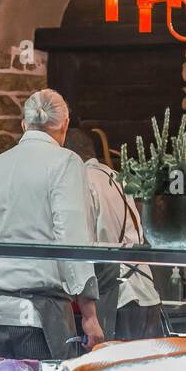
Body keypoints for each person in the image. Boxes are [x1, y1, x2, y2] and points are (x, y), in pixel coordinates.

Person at [0, 89, 103, 360]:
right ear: (65, 124)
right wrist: (90, 314)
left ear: (23, 124)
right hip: (39, 320)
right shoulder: (66, 163)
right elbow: (72, 240)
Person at [64, 127, 166, 341]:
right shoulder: (116, 177)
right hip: (145, 292)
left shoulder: (82, 182)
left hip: (117, 299)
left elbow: (83, 244)